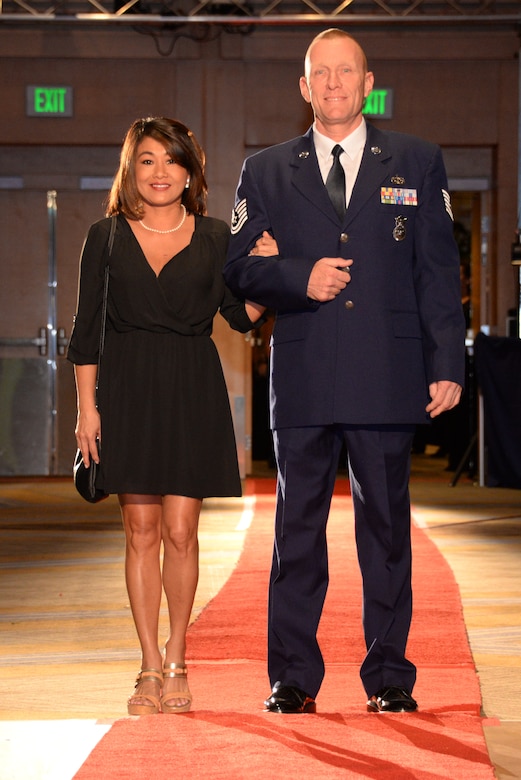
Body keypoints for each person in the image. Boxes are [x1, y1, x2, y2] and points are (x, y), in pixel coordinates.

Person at [224, 29, 466, 714]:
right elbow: (238, 267)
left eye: (345, 72)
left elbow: (435, 273)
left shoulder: (416, 162)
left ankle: (389, 673)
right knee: (295, 534)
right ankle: (293, 676)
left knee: (386, 533)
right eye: (319, 73)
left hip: (388, 374)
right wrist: (299, 275)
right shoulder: (265, 170)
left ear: (368, 83)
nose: (332, 83)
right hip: (302, 377)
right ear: (303, 87)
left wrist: (445, 360)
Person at [68, 117, 265, 716]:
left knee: (182, 532)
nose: (159, 172)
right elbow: (86, 333)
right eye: (147, 160)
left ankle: (179, 659)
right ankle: (148, 664)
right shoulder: (104, 237)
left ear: (190, 172)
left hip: (191, 390)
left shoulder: (214, 238)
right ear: (132, 170)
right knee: (140, 532)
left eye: (171, 160)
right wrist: (86, 411)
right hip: (126, 392)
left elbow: (241, 316)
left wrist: (268, 272)